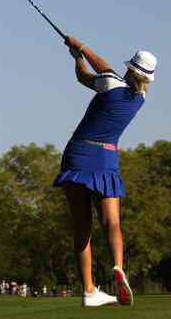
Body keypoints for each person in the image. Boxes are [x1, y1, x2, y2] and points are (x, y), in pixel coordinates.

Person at [53, 35, 157, 307]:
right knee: (112, 223)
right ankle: (118, 266)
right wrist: (78, 56)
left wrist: (80, 47)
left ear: (129, 67)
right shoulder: (140, 97)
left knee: (82, 227)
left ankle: (89, 290)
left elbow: (97, 71)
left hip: (78, 154)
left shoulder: (110, 82)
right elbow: (87, 76)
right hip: (106, 159)